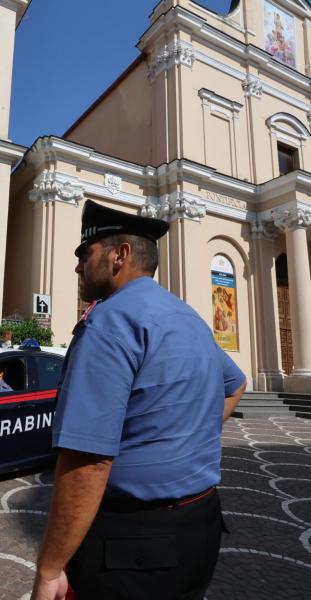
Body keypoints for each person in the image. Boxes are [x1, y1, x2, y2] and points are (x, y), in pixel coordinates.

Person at [30, 200, 246, 600]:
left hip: (132, 545)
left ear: (119, 255)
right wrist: (185, 438)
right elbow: (235, 384)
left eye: (86, 254)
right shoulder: (188, 317)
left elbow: (88, 462)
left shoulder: (108, 322)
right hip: (201, 528)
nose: (77, 266)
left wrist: (49, 569)